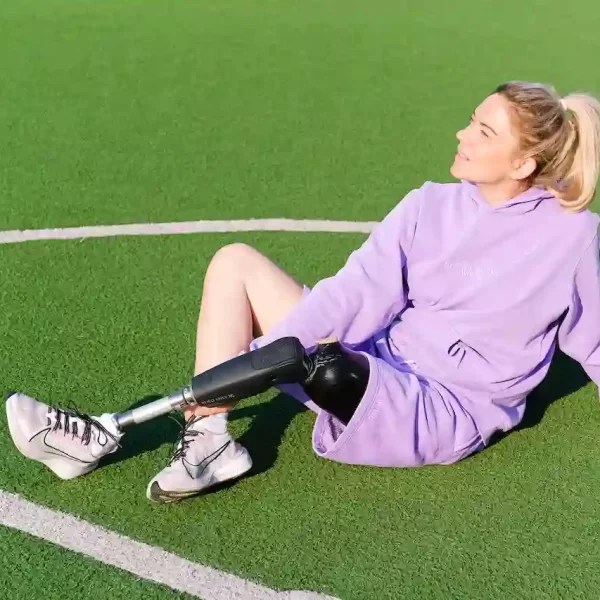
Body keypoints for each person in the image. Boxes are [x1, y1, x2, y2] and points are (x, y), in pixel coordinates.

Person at [5, 81, 600, 504]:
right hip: (383, 356)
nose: (462, 133)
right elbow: (356, 291)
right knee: (237, 264)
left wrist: (285, 352)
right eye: (472, 119)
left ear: (524, 162)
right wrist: (276, 350)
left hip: (441, 408)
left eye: (483, 130)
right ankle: (210, 440)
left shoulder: (572, 238)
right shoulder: (429, 204)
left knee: (327, 368)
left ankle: (152, 426)